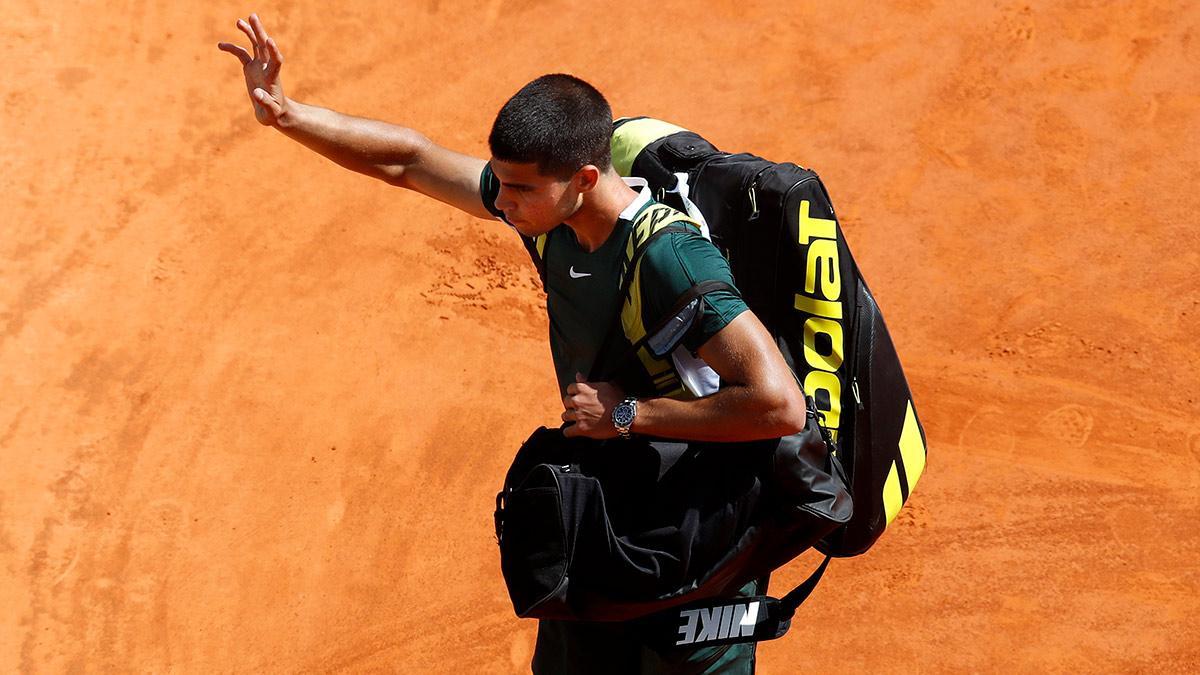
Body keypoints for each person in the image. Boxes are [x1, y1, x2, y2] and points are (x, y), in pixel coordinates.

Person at [219, 14, 808, 674]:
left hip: (702, 533)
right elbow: (409, 160)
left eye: (521, 187)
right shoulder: (549, 220)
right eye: (501, 181)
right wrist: (288, 115)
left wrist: (627, 415)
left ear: (585, 178)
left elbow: (779, 405)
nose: (504, 202)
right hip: (606, 515)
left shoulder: (672, 259)